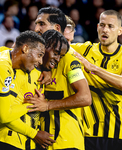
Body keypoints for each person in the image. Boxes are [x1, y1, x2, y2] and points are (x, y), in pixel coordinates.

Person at [69, 10, 122, 150]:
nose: (105, 30)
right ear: (97, 27)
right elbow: (58, 48)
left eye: (110, 26)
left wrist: (92, 68)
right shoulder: (85, 50)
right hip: (91, 135)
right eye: (102, 25)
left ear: (120, 31)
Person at [0, 29, 68, 150]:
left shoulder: (40, 75)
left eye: (61, 56)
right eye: (56, 53)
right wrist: (34, 133)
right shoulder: (17, 70)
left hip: (26, 143)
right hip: (8, 140)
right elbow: (5, 114)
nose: (58, 59)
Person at [25, 7, 92, 150]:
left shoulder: (68, 59)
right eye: (36, 23)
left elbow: (85, 97)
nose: (36, 28)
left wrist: (48, 105)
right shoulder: (35, 59)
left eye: (41, 24)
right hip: (40, 140)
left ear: (56, 28)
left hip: (66, 141)